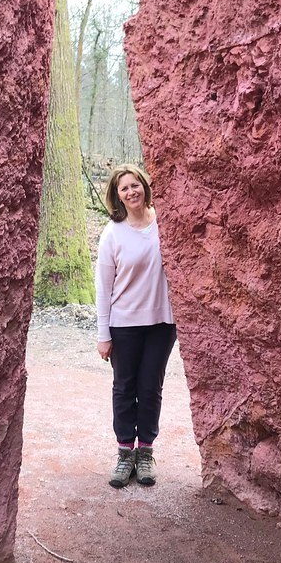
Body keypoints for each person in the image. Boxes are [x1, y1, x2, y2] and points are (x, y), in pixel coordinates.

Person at [95, 164, 176, 488]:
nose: (131, 192)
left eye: (135, 185)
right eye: (124, 188)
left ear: (144, 186)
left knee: (150, 388)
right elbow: (103, 287)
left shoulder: (164, 225)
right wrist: (103, 334)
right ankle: (124, 452)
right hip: (124, 324)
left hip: (161, 323)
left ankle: (146, 454)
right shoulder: (112, 233)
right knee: (125, 388)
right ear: (117, 196)